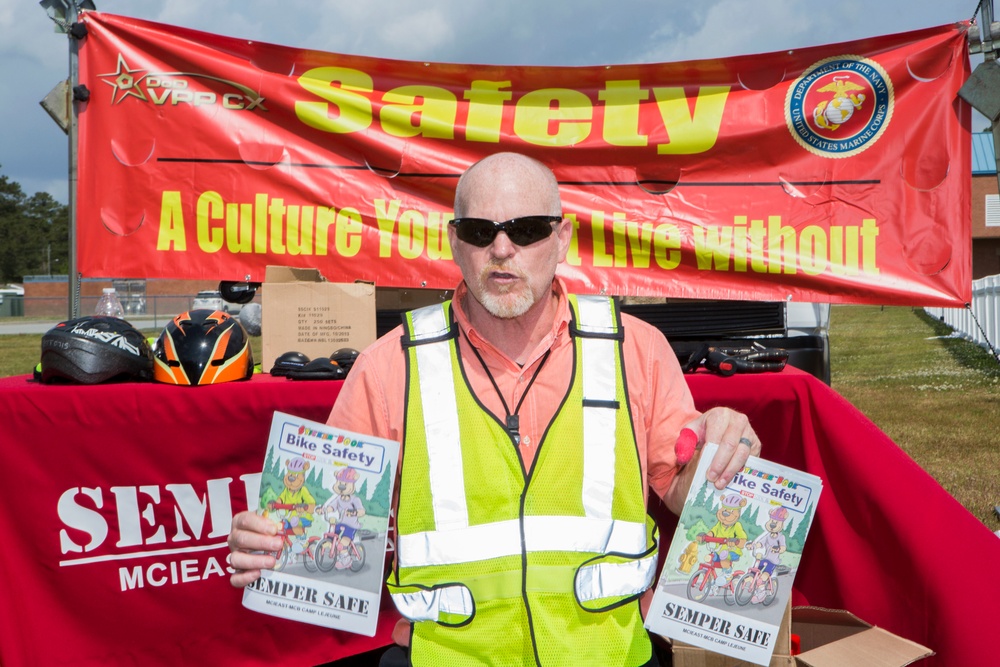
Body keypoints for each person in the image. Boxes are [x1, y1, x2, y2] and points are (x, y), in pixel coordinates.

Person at [229, 152, 761, 666]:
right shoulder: (387, 366)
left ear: (562, 239)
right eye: (481, 232)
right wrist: (273, 544)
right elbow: (325, 523)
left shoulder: (636, 350)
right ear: (456, 243)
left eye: (526, 229)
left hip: (611, 658)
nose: (503, 248)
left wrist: (724, 454)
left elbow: (687, 496)